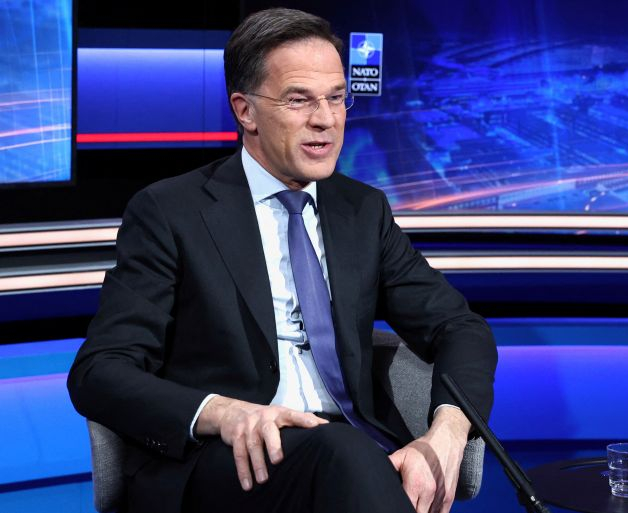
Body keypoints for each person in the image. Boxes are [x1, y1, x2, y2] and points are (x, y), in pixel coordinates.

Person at [68, 7, 497, 513]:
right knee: (344, 455)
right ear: (245, 111)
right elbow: (99, 371)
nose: (326, 119)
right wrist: (223, 413)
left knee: (351, 455)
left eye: (336, 97)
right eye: (299, 100)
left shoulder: (361, 211)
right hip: (227, 459)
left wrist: (448, 430)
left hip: (354, 449)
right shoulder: (170, 212)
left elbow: (459, 327)